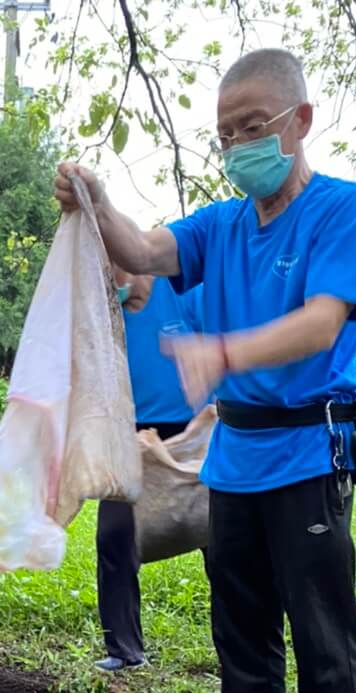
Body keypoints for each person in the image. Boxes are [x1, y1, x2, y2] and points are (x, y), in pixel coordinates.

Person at [55, 47, 356, 693]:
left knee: (319, 613)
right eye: (226, 133)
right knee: (238, 608)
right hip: (233, 454)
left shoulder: (344, 209)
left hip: (309, 446)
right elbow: (141, 252)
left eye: (253, 126)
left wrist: (225, 351)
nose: (240, 146)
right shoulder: (222, 225)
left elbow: (320, 321)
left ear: (298, 122)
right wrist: (95, 200)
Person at [96, 269, 203, 672]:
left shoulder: (185, 291)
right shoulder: (103, 308)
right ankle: (125, 650)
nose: (114, 277)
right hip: (128, 433)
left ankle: (240, 647)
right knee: (114, 537)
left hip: (192, 432)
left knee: (225, 542)